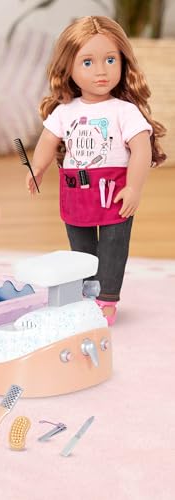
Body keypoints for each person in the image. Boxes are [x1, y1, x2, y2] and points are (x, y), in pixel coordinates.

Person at [25, 16, 166, 325]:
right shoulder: (65, 111)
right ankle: (87, 294)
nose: (101, 71)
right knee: (81, 249)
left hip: (116, 192)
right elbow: (48, 140)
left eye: (110, 60)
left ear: (123, 62)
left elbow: (141, 148)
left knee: (113, 247)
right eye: (87, 62)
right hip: (77, 191)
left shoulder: (124, 110)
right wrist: (37, 167)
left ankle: (107, 299)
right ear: (69, 68)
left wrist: (134, 188)